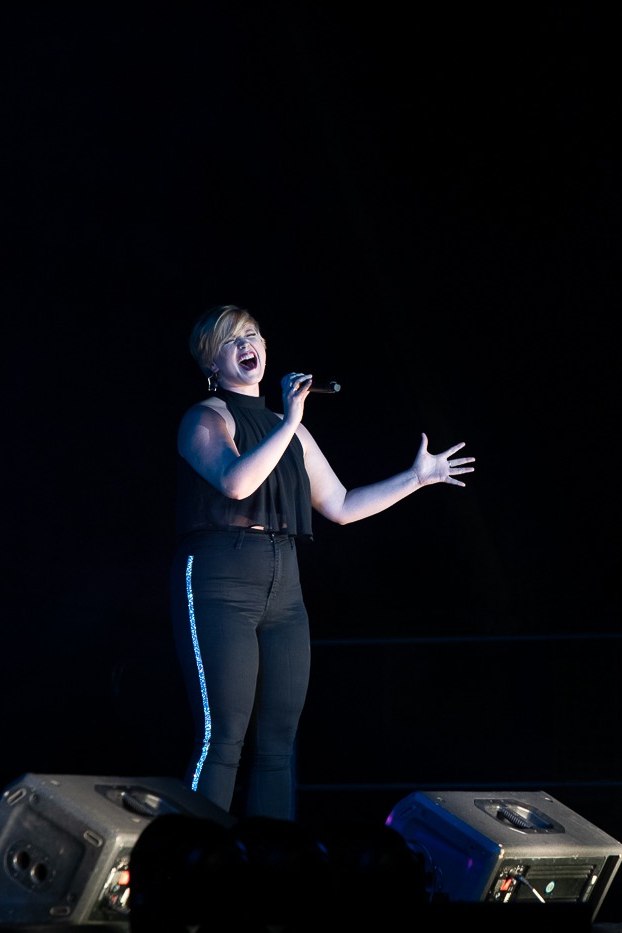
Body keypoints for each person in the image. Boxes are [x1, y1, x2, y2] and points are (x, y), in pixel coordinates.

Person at [171, 304, 475, 821]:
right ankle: (190, 863)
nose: (249, 345)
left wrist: (416, 479)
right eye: (233, 340)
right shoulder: (207, 417)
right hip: (223, 577)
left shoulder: (288, 430)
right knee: (224, 734)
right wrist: (289, 420)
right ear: (212, 362)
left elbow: (342, 506)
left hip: (284, 582)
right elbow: (237, 482)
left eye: (254, 335)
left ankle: (273, 870)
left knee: (279, 742)